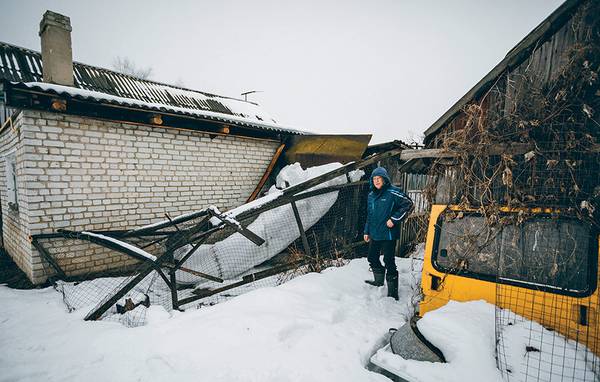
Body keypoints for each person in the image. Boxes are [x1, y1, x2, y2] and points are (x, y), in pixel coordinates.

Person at [363, 167, 413, 300]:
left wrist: (394, 219)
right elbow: (370, 215)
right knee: (372, 258)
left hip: (388, 234)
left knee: (389, 261)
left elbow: (408, 204)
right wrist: (366, 231)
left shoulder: (393, 192)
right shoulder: (371, 195)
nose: (376, 181)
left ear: (385, 180)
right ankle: (379, 281)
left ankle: (393, 292)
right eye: (374, 179)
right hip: (374, 233)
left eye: (379, 178)